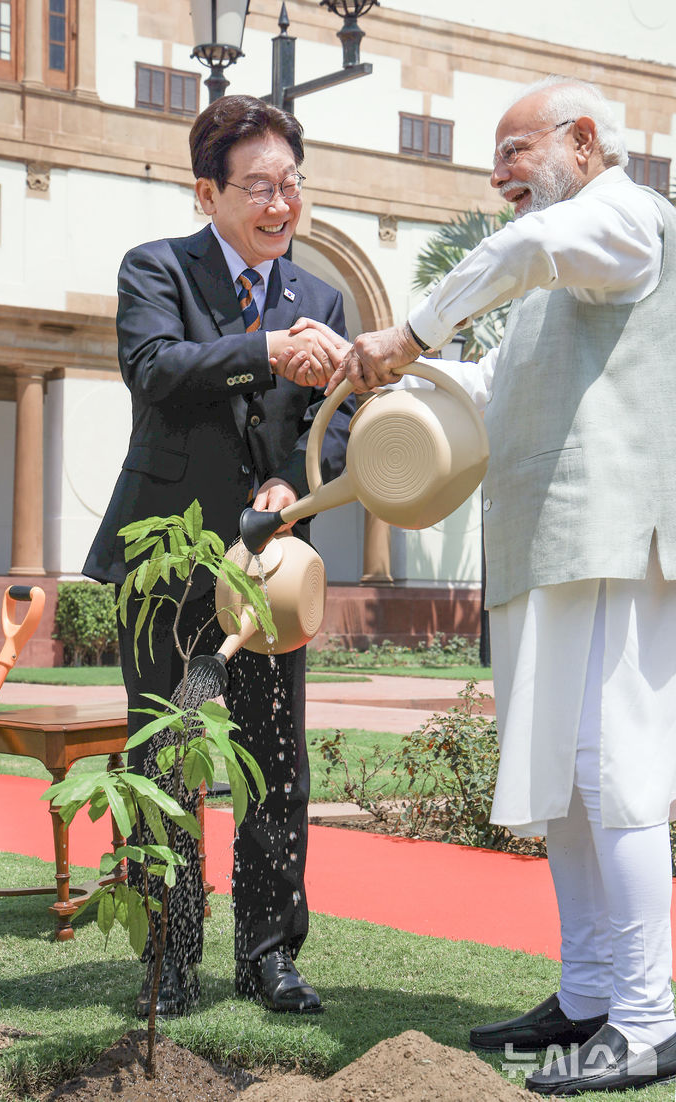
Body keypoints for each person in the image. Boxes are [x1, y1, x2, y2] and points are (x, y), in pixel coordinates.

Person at [301, 75, 676, 1094]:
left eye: (514, 151)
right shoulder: (563, 261)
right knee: (565, 785)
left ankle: (647, 1019)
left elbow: (518, 252)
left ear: (585, 140)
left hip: (611, 541)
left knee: (616, 775)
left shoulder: (624, 219)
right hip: (549, 546)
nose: (496, 176)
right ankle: (591, 993)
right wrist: (377, 363)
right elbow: (492, 384)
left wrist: (409, 327)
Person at [83, 94, 354, 1018]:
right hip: (167, 565)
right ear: (209, 193)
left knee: (276, 764)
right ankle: (172, 957)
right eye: (260, 187)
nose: (282, 205)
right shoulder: (155, 268)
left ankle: (271, 958)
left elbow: (337, 421)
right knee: (169, 757)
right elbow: (154, 368)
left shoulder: (324, 299)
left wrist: (292, 487)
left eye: (293, 185)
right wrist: (265, 351)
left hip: (271, 575)